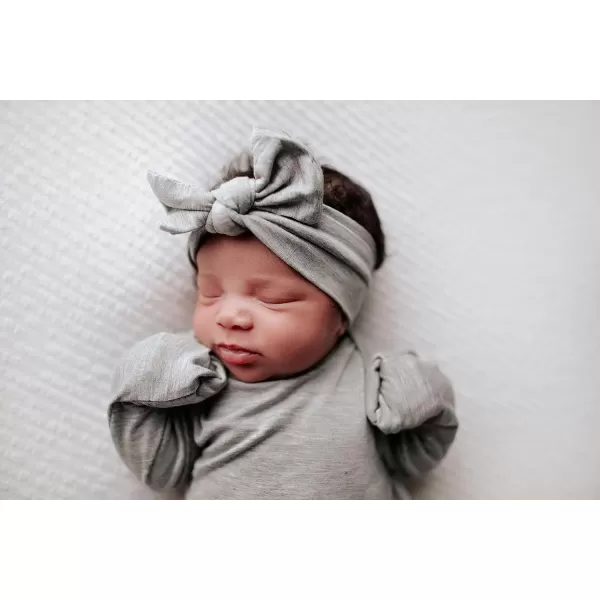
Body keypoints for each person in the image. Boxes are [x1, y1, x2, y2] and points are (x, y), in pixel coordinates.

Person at [108, 127, 458, 499]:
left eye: (272, 299)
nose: (230, 317)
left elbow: (412, 461)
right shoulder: (196, 383)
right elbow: (163, 474)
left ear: (341, 316)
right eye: (210, 293)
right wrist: (141, 390)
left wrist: (424, 402)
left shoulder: (367, 386)